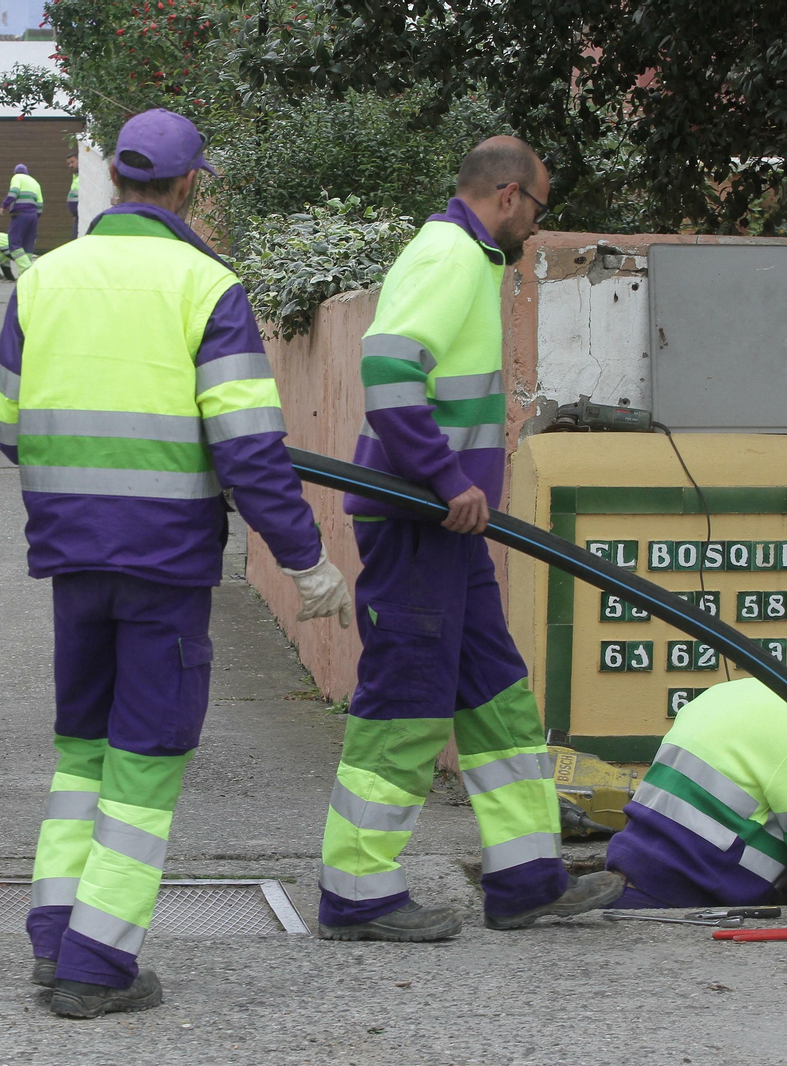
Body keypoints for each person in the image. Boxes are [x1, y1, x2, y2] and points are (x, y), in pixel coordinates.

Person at [0, 108, 353, 1019]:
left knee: (83, 753)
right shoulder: (206, 287)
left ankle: (55, 936)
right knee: (145, 762)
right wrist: (306, 561)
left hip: (72, 558)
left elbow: (2, 414)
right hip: (165, 565)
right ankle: (98, 965)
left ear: (113, 176)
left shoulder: (46, 278)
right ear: (190, 185)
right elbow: (248, 447)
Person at [316, 137, 623, 943]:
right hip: (421, 519)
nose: (538, 225)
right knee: (406, 702)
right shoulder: (450, 256)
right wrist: (447, 479)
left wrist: (451, 490)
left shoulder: (467, 259)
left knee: (497, 698)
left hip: (444, 525)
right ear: (510, 195)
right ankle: (356, 894)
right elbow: (388, 371)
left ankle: (527, 881)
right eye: (540, 207)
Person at [605, 627, 787, 909]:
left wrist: (785, 883)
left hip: (626, 883)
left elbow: (699, 828)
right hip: (679, 901)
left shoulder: (722, 694)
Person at [2, 162, 43, 256]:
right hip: (33, 217)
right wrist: (35, 216)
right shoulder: (35, 182)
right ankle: (27, 264)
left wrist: (4, 205)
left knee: (14, 243)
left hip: (20, 215)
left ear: (15, 172)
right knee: (28, 245)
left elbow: (14, 192)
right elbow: (40, 204)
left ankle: (22, 263)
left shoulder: (17, 177)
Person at [66, 151, 80, 240]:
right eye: (68, 163)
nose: (70, 165)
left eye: (72, 162)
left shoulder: (84, 176)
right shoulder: (75, 176)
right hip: (76, 216)